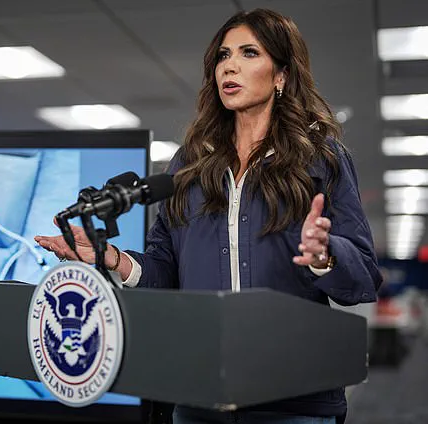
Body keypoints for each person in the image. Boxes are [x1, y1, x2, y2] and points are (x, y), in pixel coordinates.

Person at [35, 8, 382, 424]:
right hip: (199, 398)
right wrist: (113, 259)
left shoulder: (321, 159)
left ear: (281, 75)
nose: (229, 66)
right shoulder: (190, 164)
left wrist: (325, 254)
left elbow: (364, 278)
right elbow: (165, 269)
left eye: (249, 53)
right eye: (223, 56)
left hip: (294, 400)